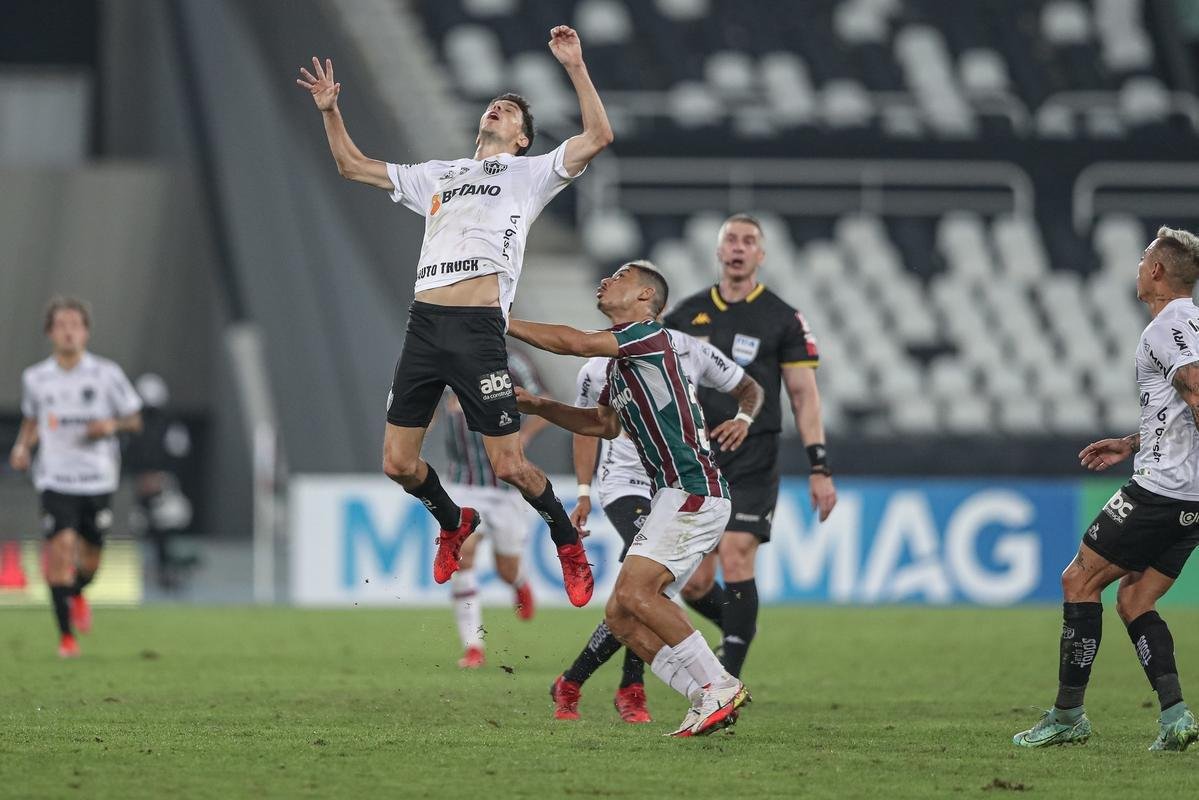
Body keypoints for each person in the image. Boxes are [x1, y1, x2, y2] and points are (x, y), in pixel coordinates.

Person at [296, 25, 613, 605]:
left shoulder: (529, 175)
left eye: (511, 111)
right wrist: (330, 111)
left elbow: (598, 135)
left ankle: (566, 540)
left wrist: (574, 66)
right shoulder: (438, 174)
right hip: (424, 324)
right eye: (496, 104)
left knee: (510, 466)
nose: (499, 108)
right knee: (397, 464)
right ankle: (453, 520)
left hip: (478, 331)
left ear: (522, 139)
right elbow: (353, 166)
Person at [509, 261, 750, 737]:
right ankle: (704, 695)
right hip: (674, 495)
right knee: (620, 615)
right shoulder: (622, 367)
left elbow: (575, 342)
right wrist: (538, 405)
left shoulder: (649, 336)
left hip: (693, 490)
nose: (605, 280)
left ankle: (718, 684)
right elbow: (601, 425)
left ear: (645, 297)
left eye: (619, 277)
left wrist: (501, 320)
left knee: (640, 594)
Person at [1014, 227, 1199, 752]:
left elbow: (1196, 392)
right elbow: (1179, 409)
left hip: (1161, 491)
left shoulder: (1168, 326)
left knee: (1078, 580)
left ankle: (1067, 715)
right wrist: (1132, 442)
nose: (1138, 267)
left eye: (1143, 259)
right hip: (1190, 499)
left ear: (1157, 271)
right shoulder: (1194, 324)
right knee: (1136, 599)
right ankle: (1176, 719)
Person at [552, 315, 763, 722]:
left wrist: (744, 419)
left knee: (642, 596)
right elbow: (588, 428)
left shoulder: (689, 348)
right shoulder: (597, 365)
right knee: (643, 589)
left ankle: (575, 681)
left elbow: (748, 387)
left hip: (676, 483)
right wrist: (583, 491)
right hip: (625, 483)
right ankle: (633, 689)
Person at [664, 213, 837, 678]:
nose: (738, 248)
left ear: (761, 255)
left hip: (753, 455)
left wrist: (819, 466)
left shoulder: (782, 318)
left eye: (748, 241)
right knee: (695, 583)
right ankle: (740, 627)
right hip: (699, 458)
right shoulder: (686, 315)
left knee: (738, 551)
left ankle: (728, 676)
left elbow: (803, 395)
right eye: (731, 240)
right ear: (719, 251)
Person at [8, 298, 143, 657]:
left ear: (86, 332)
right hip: (55, 478)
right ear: (50, 332)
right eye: (61, 325)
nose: (68, 331)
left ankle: (79, 593)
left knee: (91, 562)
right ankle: (66, 638)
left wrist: (111, 425)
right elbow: (33, 420)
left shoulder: (106, 374)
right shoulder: (36, 378)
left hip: (97, 479)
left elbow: (135, 418)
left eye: (75, 325)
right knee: (60, 549)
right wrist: (22, 447)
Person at [443, 349, 550, 668]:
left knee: (507, 569)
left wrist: (525, 435)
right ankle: (473, 646)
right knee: (462, 557)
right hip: (463, 483)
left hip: (504, 486)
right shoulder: (445, 357)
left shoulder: (512, 362)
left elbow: (545, 402)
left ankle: (519, 583)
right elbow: (427, 401)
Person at [126, 373, 197, 591]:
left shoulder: (171, 426)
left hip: (165, 486)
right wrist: (141, 477)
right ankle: (156, 570)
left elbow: (179, 455)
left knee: (168, 521)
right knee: (141, 525)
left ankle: (170, 567)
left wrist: (161, 477)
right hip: (140, 489)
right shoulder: (132, 427)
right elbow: (128, 455)